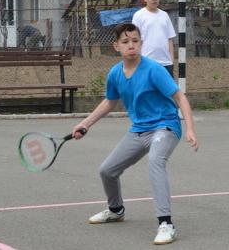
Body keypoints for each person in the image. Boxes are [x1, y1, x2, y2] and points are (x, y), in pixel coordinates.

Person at [71, 23, 199, 245]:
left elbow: (180, 98)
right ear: (116, 46)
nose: (131, 45)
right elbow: (110, 102)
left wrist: (189, 128)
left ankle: (166, 224)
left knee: (155, 161)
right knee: (107, 171)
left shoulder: (154, 69)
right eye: (125, 42)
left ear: (141, 43)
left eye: (135, 41)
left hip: (165, 126)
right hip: (138, 130)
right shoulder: (115, 73)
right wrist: (85, 124)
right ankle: (116, 210)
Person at [132, 0, 176, 77]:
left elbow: (170, 39)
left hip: (166, 63)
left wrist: (171, 60)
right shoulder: (139, 15)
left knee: (167, 90)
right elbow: (135, 39)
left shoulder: (164, 15)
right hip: (146, 61)